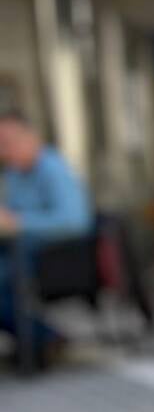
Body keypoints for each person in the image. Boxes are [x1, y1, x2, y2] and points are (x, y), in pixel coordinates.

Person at [0, 112, 92, 362]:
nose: (4, 152)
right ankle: (37, 339)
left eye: (8, 143)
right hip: (18, 252)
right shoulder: (13, 175)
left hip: (56, 257)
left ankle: (44, 338)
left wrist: (18, 222)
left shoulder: (52, 167)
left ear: (31, 138)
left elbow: (75, 221)